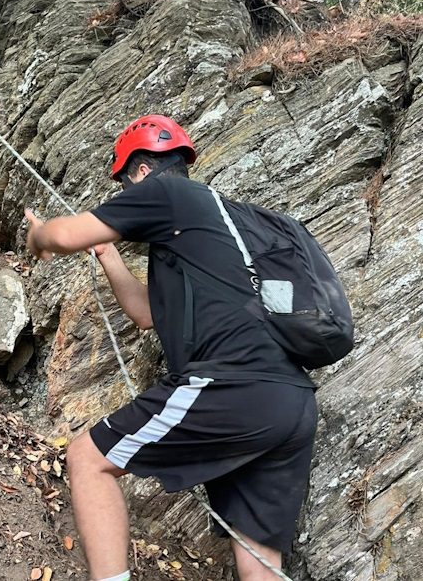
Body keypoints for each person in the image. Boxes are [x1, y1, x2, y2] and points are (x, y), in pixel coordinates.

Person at [23, 115, 317, 581]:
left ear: (140, 170)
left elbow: (61, 235)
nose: (125, 196)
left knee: (89, 459)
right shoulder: (217, 227)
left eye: (123, 185)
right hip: (292, 403)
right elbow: (146, 315)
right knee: (258, 559)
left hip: (233, 386)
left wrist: (38, 237)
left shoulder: (165, 194)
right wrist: (109, 257)